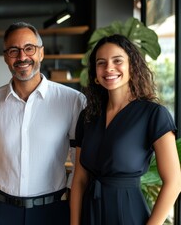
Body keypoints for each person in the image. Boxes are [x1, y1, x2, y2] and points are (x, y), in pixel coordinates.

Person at [0, 21, 86, 225]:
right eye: (14, 50)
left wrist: (69, 199)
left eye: (29, 48)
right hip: (0, 211)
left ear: (41, 53)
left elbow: (79, 159)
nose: (22, 57)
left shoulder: (72, 101)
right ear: (5, 57)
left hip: (52, 211)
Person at [70, 34, 181, 225]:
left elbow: (174, 182)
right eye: (101, 63)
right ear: (95, 73)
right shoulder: (87, 117)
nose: (109, 68)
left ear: (133, 66)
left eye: (117, 61)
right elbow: (80, 179)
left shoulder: (153, 114)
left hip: (128, 214)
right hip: (90, 214)